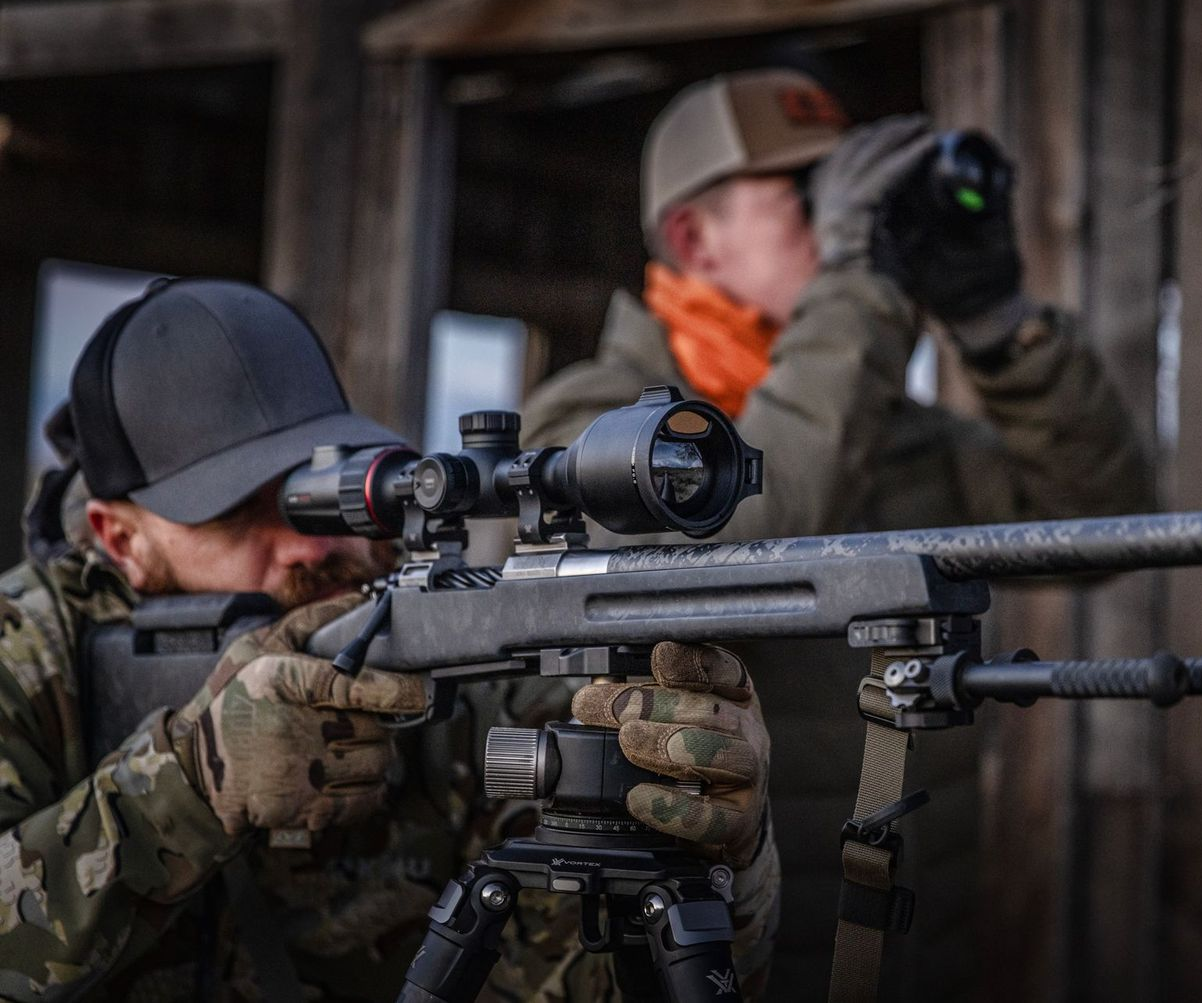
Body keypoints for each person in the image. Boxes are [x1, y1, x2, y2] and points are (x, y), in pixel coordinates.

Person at [518, 69, 1157, 1000]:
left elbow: (1108, 523)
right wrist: (860, 281)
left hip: (908, 952)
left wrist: (998, 325)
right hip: (706, 961)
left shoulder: (887, 428)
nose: (856, 224)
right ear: (697, 239)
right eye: (818, 200)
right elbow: (740, 543)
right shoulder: (590, 424)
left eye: (859, 198)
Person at [0, 277, 778, 1001]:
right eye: (236, 510)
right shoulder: (26, 652)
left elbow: (587, 981)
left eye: (316, 490)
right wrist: (183, 786)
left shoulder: (452, 664)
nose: (311, 543)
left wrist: (717, 865)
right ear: (120, 538)